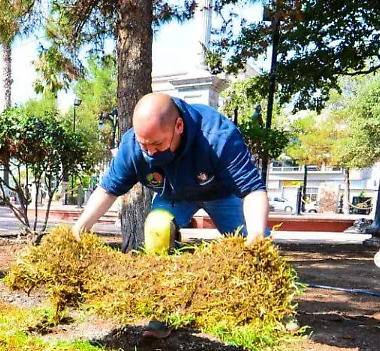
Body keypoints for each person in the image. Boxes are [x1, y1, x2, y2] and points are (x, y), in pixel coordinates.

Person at [70, 92, 270, 338]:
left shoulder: (218, 136)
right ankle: (161, 312)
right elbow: (108, 189)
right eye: (145, 145)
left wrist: (258, 231)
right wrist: (81, 226)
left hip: (221, 193)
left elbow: (252, 189)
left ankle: (273, 310)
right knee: (157, 227)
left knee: (255, 241)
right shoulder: (133, 145)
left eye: (157, 144)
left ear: (179, 126)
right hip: (174, 194)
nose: (150, 153)